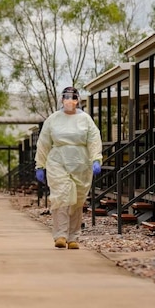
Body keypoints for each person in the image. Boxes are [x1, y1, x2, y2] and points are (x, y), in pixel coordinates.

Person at [35, 87, 102, 249]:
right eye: (66, 98)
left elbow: (94, 139)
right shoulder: (53, 119)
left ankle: (73, 237)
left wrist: (96, 159)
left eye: (73, 98)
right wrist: (40, 164)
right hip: (58, 162)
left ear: (77, 100)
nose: (69, 101)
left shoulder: (85, 119)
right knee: (62, 197)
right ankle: (60, 235)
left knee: (77, 201)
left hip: (81, 163)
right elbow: (43, 142)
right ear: (62, 99)